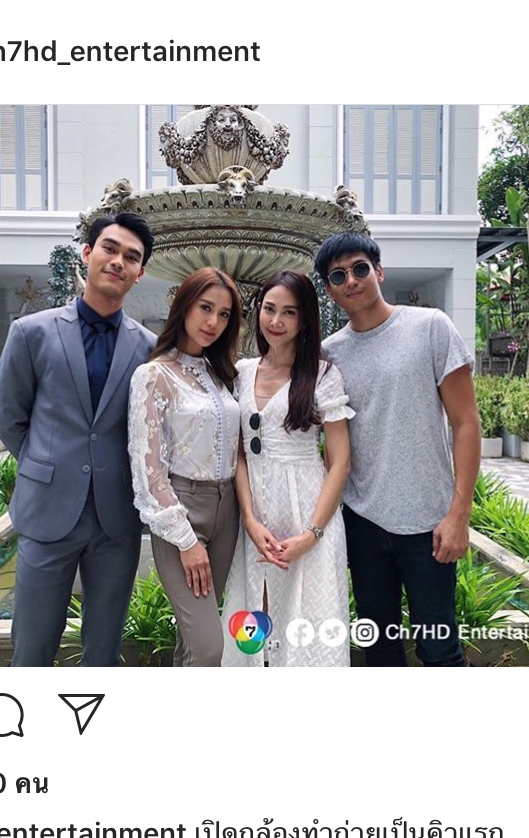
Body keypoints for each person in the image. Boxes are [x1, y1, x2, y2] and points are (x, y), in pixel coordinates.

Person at [0, 213, 156, 667]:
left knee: (103, 650)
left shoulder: (149, 347)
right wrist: (48, 466)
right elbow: (10, 418)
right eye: (110, 249)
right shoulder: (31, 332)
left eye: (131, 257)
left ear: (140, 272)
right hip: (47, 510)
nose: (118, 261)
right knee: (32, 648)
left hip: (116, 518)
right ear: (87, 253)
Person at [317, 232, 481, 667]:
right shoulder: (328, 354)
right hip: (363, 522)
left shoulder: (430, 327)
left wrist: (459, 514)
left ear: (379, 271)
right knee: (379, 646)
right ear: (330, 290)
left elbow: (466, 424)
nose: (351, 280)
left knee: (440, 649)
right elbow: (328, 443)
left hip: (429, 522)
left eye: (360, 269)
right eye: (338, 276)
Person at [222, 270, 353, 667]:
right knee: (254, 621)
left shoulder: (322, 375)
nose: (276, 321)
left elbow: (340, 461)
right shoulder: (243, 371)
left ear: (305, 319)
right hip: (258, 519)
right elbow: (240, 453)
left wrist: (311, 534)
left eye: (289, 312)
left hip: (308, 513)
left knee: (308, 624)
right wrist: (249, 519)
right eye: (269, 309)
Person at [128, 267, 242, 667]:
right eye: (205, 308)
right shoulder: (153, 375)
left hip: (227, 511)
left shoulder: (221, 374)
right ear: (184, 305)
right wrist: (186, 541)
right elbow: (148, 470)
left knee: (192, 642)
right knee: (209, 647)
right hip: (181, 512)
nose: (213, 322)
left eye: (224, 314)